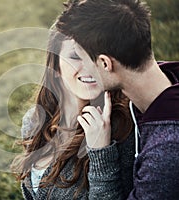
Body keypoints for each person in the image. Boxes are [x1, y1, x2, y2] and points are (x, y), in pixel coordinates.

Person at [56, 0, 179, 199]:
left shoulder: (165, 152)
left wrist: (100, 153)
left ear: (105, 63)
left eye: (82, 58)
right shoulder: (166, 83)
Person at [11, 27, 135, 199]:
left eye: (96, 56)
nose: (90, 67)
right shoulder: (34, 120)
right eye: (76, 56)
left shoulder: (123, 130)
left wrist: (101, 151)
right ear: (56, 65)